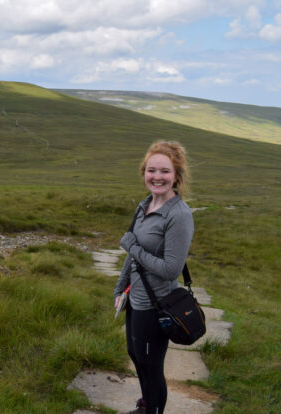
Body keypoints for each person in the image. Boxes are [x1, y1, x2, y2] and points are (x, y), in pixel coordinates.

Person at [113, 141, 194, 414]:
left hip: (157, 302)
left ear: (176, 176)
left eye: (165, 171)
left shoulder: (179, 215)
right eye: (151, 170)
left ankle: (154, 409)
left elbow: (172, 269)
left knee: (151, 363)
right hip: (135, 299)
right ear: (143, 173)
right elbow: (132, 254)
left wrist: (133, 247)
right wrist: (119, 288)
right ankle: (147, 405)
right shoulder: (144, 204)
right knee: (136, 355)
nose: (157, 177)